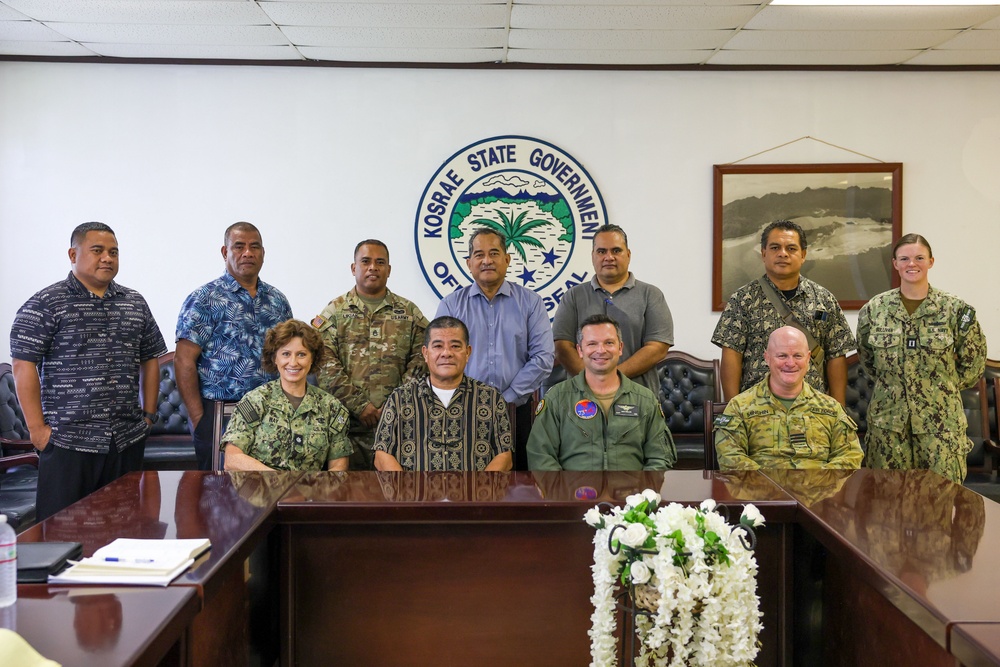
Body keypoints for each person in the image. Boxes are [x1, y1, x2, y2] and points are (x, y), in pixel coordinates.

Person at [10, 222, 167, 520]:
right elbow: (23, 364)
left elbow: (150, 357)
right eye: (97, 251)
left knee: (127, 527)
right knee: (62, 532)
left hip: (126, 439)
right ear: (73, 253)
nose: (107, 258)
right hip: (68, 440)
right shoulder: (46, 303)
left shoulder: (134, 303)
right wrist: (38, 432)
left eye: (113, 252)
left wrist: (148, 415)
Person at [856, 234, 987, 484]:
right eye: (904, 258)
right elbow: (868, 360)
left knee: (939, 504)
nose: (911, 264)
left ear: (931, 262)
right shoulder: (874, 310)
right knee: (887, 504)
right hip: (888, 427)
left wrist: (937, 388)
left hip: (941, 427)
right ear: (895, 263)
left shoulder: (955, 310)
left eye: (919, 258)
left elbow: (974, 363)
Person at [175, 222, 293, 470]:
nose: (247, 253)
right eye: (239, 246)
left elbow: (288, 357)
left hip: (271, 413)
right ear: (224, 252)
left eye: (254, 247)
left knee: (269, 490)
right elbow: (184, 360)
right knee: (219, 498)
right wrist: (199, 419)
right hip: (221, 414)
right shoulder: (204, 299)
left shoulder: (278, 301)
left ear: (263, 253)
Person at [436, 228, 554, 470]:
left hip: (517, 410)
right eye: (479, 255)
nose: (487, 260)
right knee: (463, 480)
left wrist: (506, 399)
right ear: (469, 263)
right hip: (462, 411)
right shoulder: (451, 305)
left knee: (517, 483)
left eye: (494, 253)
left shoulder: (531, 302)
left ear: (507, 259)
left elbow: (543, 357)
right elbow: (441, 358)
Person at [312, 240, 428, 470]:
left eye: (380, 262)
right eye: (365, 261)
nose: (372, 267)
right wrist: (359, 405)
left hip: (399, 427)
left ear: (389, 270)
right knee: (347, 496)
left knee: (397, 495)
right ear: (354, 268)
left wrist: (394, 406)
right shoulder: (335, 311)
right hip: (345, 428)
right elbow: (324, 364)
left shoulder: (409, 312)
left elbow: (421, 361)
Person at [712, 220, 855, 405]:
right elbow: (731, 355)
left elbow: (836, 354)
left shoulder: (824, 300)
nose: (783, 254)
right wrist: (733, 409)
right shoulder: (742, 300)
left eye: (791, 248)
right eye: (775, 247)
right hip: (756, 410)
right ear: (763, 253)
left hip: (812, 410)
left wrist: (838, 409)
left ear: (803, 255)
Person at [528, 315, 675, 471]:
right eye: (592, 344)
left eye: (609, 343)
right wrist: (562, 492)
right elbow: (540, 458)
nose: (601, 350)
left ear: (620, 348)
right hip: (571, 492)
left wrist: (642, 492)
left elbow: (660, 458)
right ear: (580, 350)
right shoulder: (557, 398)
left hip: (630, 492)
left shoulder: (644, 400)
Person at [372, 316, 512, 472]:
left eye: (455, 346)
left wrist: (477, 493)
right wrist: (405, 491)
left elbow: (504, 456)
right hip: (415, 494)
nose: (446, 353)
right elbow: (382, 455)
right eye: (438, 346)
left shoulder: (490, 398)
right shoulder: (400, 398)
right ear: (425, 353)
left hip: (473, 494)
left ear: (468, 352)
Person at [714, 326, 863, 471]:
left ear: (808, 358)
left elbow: (850, 456)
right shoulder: (740, 407)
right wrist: (770, 488)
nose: (790, 363)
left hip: (819, 492)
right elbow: (730, 457)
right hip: (761, 493)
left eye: (798, 356)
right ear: (767, 358)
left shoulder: (831, 408)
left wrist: (817, 485)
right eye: (782, 355)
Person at [551, 224, 673, 395]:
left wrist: (612, 378)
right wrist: (590, 381)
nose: (609, 257)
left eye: (616, 251)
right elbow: (562, 346)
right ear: (593, 256)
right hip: (582, 398)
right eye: (601, 251)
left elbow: (657, 347)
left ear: (628, 255)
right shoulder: (573, 296)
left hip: (638, 398)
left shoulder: (651, 295)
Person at [221, 319, 351, 471]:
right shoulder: (256, 401)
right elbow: (232, 459)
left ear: (312, 359)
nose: (293, 362)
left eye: (301, 354)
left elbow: (338, 467)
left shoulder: (331, 407)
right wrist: (280, 483)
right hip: (261, 490)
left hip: (311, 492)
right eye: (286, 354)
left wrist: (317, 493)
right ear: (274, 358)